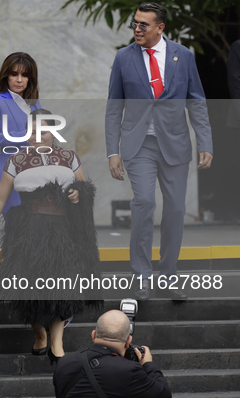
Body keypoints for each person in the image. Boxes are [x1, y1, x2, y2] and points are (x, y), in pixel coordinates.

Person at [105, 2, 213, 301]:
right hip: (138, 145)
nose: (137, 29)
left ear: (160, 28)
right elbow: (114, 108)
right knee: (143, 202)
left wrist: (205, 141)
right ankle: (141, 275)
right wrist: (111, 151)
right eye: (135, 24)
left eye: (143, 25)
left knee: (176, 210)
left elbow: (197, 102)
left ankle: (169, 275)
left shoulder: (183, 56)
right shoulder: (124, 58)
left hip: (175, 143)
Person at [0, 109, 100, 364]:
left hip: (64, 231)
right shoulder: (16, 160)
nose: (38, 137)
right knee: (31, 286)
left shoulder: (69, 157)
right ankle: (39, 334)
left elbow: (85, 190)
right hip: (29, 231)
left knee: (62, 285)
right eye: (32, 132)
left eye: (43, 132)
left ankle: (57, 343)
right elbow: (0, 197)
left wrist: (78, 194)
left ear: (54, 133)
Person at [53, 310, 172, 398]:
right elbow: (164, 394)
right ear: (128, 341)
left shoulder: (64, 362)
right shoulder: (129, 370)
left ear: (93, 335)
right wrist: (148, 364)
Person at [0, 52, 42, 215]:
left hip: (35, 174)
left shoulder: (35, 104)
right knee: (17, 229)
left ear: (31, 78)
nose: (19, 80)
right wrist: (27, 136)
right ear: (5, 75)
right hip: (8, 176)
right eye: (14, 74)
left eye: (25, 75)